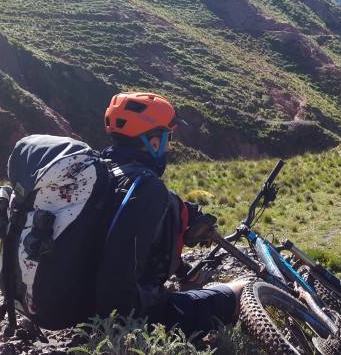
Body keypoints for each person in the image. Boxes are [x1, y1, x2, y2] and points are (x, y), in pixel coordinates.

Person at [97, 92, 248, 335]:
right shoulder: (148, 192)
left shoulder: (99, 175)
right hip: (139, 319)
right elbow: (162, 270)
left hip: (82, 308)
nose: (169, 144)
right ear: (153, 142)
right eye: (169, 136)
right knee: (243, 288)